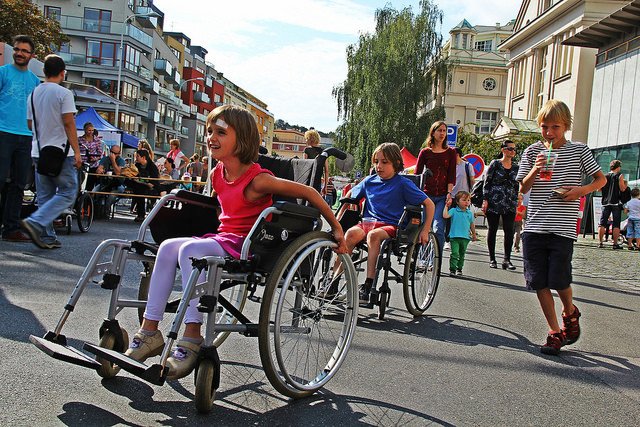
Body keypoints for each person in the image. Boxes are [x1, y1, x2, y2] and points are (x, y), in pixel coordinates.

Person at [124, 105, 346, 380]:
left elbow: (309, 192)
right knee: (169, 247)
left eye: (220, 132)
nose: (210, 137)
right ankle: (149, 331)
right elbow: (222, 208)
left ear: (241, 140)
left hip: (248, 243)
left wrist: (336, 228)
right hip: (223, 237)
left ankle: (192, 335)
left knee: (192, 251)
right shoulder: (218, 173)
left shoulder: (258, 179)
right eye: (209, 131)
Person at [517, 99, 606, 355]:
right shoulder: (533, 150)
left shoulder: (579, 150)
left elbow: (600, 179)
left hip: (562, 227)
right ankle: (554, 332)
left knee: (559, 278)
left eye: (555, 127)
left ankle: (570, 310)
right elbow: (523, 187)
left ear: (565, 126)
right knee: (539, 281)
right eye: (545, 127)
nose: (549, 133)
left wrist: (581, 190)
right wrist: (536, 169)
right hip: (534, 225)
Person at [336, 142, 435, 305]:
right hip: (367, 223)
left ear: (396, 163)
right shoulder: (369, 181)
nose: (378, 166)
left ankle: (368, 285)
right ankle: (332, 283)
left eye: (384, 162)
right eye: (376, 161)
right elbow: (348, 198)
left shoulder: (403, 183)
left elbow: (429, 204)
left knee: (374, 236)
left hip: (391, 225)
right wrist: (337, 222)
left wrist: (425, 230)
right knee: (350, 234)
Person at [21, 54, 82, 249]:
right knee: (68, 191)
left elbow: (30, 123)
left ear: (45, 72)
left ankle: (46, 236)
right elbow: (68, 122)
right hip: (60, 152)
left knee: (45, 195)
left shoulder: (33, 94)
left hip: (38, 150)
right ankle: (35, 222)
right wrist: (77, 151)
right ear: (62, 73)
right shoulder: (64, 94)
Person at [0, 35, 40, 243]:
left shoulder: (34, 81)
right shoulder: (3, 73)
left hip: (26, 137)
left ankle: (11, 228)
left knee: (18, 184)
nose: (19, 53)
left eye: (24, 51)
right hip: (3, 132)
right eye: (17, 49)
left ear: (32, 55)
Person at [414, 121, 456, 254]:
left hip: (442, 195)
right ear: (433, 132)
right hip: (426, 195)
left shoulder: (450, 152)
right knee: (425, 227)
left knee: (438, 228)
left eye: (444, 131)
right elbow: (417, 174)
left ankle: (435, 259)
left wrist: (450, 193)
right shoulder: (425, 152)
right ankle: (422, 257)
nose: (442, 133)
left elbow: (451, 175)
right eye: (440, 130)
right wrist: (416, 194)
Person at [482, 140, 520, 270]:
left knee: (509, 230)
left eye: (514, 149)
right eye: (510, 149)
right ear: (503, 150)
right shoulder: (495, 164)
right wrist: (485, 199)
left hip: (510, 202)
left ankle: (506, 259)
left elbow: (516, 185)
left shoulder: (516, 167)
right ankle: (492, 258)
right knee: (492, 229)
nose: (512, 151)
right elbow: (487, 182)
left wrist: (518, 198)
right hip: (494, 200)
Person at [445, 147, 477, 245]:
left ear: (457, 155)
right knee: (449, 219)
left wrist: (470, 193)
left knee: (464, 218)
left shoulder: (467, 166)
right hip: (452, 196)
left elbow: (472, 180)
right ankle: (448, 240)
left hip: (463, 197)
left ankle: (463, 237)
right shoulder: (449, 166)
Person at [443, 191, 475, 277]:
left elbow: (472, 224)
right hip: (454, 236)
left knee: (462, 254)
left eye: (468, 200)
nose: (467, 202)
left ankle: (459, 268)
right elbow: (445, 216)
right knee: (455, 253)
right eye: (464, 200)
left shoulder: (469, 213)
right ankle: (452, 269)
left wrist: (474, 234)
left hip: (465, 237)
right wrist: (446, 207)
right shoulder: (454, 210)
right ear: (457, 202)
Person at [598, 160, 628, 249]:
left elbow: (599, 189)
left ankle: (600, 243)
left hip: (606, 202)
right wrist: (625, 186)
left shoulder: (605, 176)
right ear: (618, 167)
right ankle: (615, 244)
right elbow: (622, 189)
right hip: (616, 202)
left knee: (602, 223)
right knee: (616, 224)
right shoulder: (620, 176)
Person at [304, 129, 329, 199]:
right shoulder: (323, 152)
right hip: (318, 181)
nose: (306, 141)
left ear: (310, 139)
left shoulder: (307, 150)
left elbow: (304, 166)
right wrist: (325, 186)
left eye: (306, 138)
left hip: (308, 179)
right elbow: (326, 170)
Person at [78, 121, 103, 191]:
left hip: (93, 165)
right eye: (89, 130)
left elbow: (100, 153)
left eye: (92, 130)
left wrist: (95, 158)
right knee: (80, 182)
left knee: (90, 184)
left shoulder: (97, 140)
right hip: (82, 164)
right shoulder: (79, 140)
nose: (91, 132)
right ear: (85, 130)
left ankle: (88, 198)